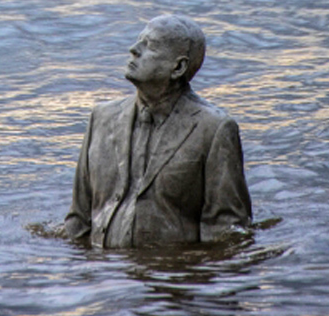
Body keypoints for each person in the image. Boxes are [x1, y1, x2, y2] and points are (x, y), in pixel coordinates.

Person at [64, 15, 251, 248]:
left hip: (169, 276)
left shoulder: (214, 130)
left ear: (178, 67)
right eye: (138, 41)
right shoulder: (100, 118)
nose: (133, 49)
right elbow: (77, 221)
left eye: (149, 45)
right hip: (106, 277)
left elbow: (227, 232)